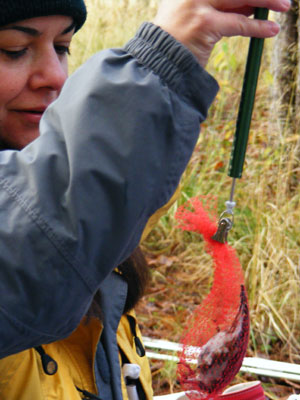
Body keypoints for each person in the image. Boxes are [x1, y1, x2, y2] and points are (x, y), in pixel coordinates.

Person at [0, 0, 289, 399]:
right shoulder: (59, 223)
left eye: (63, 47)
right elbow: (28, 246)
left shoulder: (103, 229)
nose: (54, 75)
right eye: (14, 49)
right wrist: (163, 60)